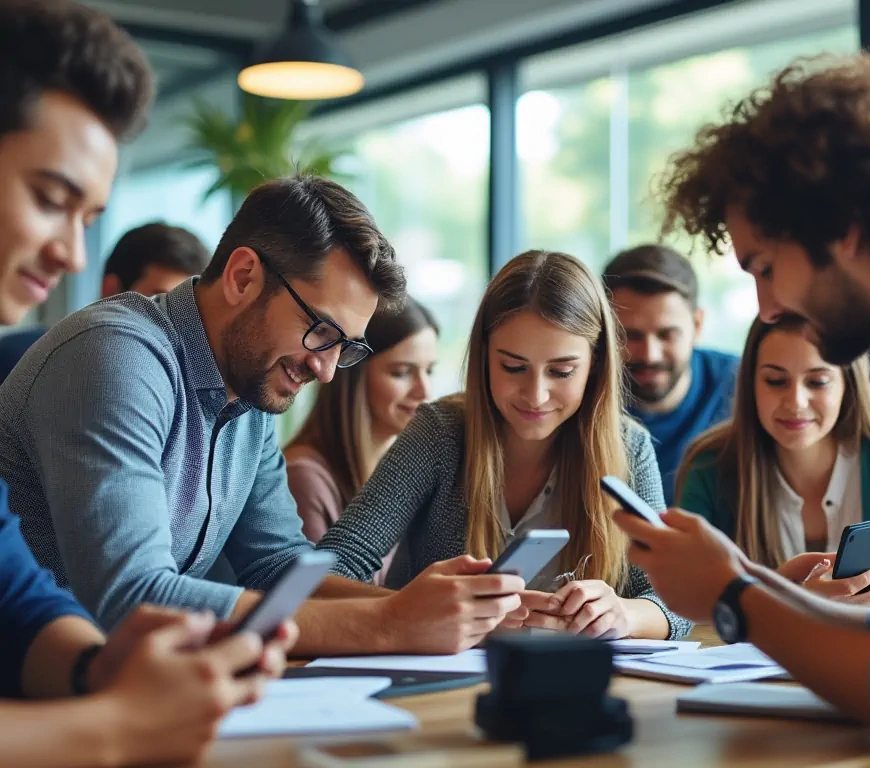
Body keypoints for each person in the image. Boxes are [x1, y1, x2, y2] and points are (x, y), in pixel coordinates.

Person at [614, 54, 870, 766]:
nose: (768, 308)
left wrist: (734, 594)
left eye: (765, 267)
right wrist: (749, 584)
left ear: (844, 229)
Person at [0, 173, 526, 658]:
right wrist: (387, 621)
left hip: (134, 685)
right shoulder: (116, 356)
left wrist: (427, 608)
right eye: (321, 331)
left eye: (345, 348)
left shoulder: (250, 390)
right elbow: (135, 598)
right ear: (244, 276)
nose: (325, 371)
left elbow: (278, 567)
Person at [0, 1, 293, 764]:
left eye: (88, 215)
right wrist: (115, 725)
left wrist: (101, 666)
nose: (70, 254)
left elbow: (10, 597)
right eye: (51, 199)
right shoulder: (112, 352)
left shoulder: (250, 400)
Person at [317, 250, 693, 641]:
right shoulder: (438, 433)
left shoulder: (628, 447)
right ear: (484, 358)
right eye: (513, 367)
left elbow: (677, 602)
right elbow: (330, 568)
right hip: (439, 686)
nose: (536, 395)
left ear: (595, 365)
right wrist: (408, 609)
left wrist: (625, 615)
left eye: (562, 371)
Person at [677, 316, 870, 601]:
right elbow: (686, 600)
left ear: (848, 386)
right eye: (775, 381)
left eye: (817, 381)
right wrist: (790, 602)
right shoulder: (710, 466)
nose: (796, 402)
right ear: (751, 384)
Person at [285, 297, 439, 558]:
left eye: (429, 371)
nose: (424, 391)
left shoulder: (401, 473)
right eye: (402, 372)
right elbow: (317, 595)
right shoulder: (304, 478)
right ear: (353, 376)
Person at [602, 244, 738, 502]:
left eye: (667, 335)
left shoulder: (746, 385)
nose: (650, 354)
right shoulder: (579, 395)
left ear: (697, 325)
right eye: (630, 335)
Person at [0, 221, 210, 383]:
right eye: (163, 304)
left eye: (189, 312)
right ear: (111, 292)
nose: (176, 327)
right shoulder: (18, 360)